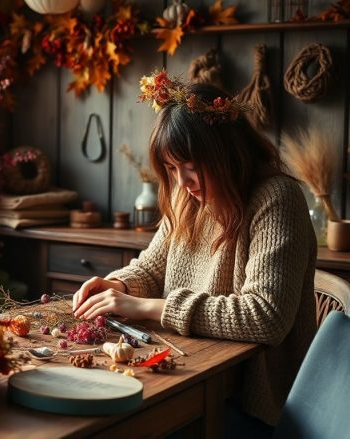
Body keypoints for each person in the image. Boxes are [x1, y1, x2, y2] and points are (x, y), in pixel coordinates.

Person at [71, 72, 317, 434]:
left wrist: (148, 307)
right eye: (171, 169)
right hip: (193, 367)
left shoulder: (276, 199)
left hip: (252, 401)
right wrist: (117, 287)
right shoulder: (188, 198)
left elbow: (266, 317)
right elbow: (154, 269)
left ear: (226, 154)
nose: (182, 183)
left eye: (191, 166)